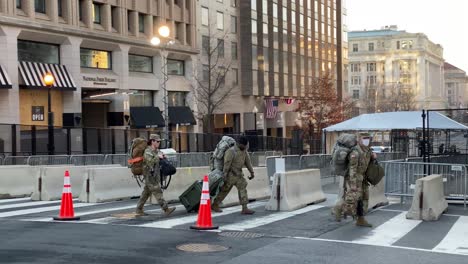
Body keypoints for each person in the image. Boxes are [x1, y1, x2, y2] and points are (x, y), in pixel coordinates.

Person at [334, 132, 375, 227]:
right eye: (364, 138)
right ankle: (338, 208)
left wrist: (373, 157)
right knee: (352, 200)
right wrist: (352, 184)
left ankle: (361, 219)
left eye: (368, 138)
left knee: (363, 198)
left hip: (362, 179)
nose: (366, 140)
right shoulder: (355, 152)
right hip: (354, 179)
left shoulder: (367, 150)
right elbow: (352, 169)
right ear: (359, 139)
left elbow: (366, 164)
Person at [211, 136, 256, 215]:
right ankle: (215, 204)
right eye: (244, 145)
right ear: (239, 144)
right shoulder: (231, 151)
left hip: (238, 175)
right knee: (224, 191)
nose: (246, 147)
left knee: (243, 188)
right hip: (230, 175)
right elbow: (227, 164)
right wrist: (224, 175)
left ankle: (244, 208)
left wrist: (252, 172)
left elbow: (248, 162)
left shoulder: (244, 151)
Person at [135, 134, 175, 216]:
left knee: (146, 192)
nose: (158, 143)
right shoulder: (148, 151)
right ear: (152, 141)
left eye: (159, 141)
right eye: (157, 141)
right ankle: (166, 209)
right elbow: (150, 162)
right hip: (149, 175)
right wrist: (158, 157)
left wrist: (163, 157)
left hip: (155, 174)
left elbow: (158, 161)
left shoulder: (156, 151)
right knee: (157, 191)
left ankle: (139, 209)